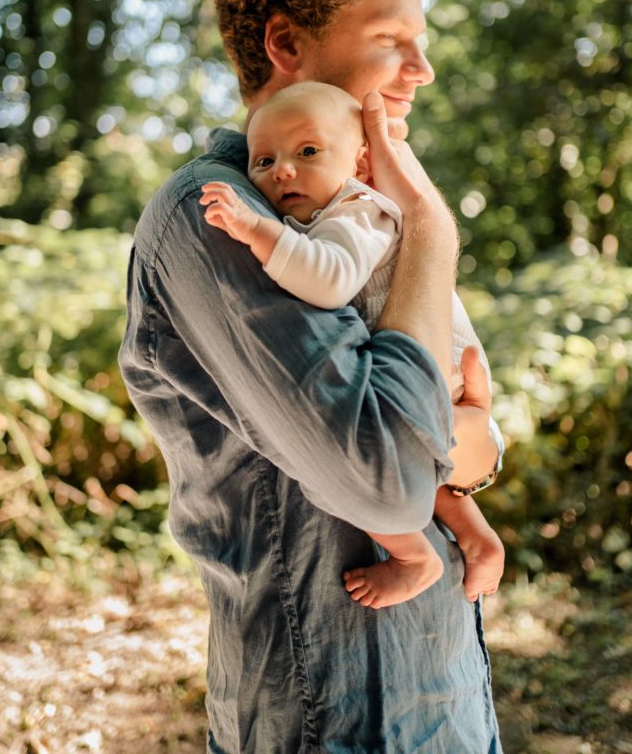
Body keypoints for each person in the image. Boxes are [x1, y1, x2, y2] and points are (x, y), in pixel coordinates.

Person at [120, 0, 504, 752]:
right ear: (287, 45)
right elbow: (388, 480)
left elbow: (477, 436)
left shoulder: (358, 207)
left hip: (444, 690)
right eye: (389, 40)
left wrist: (463, 442)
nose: (421, 70)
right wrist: (434, 232)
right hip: (327, 714)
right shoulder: (215, 215)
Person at [199, 80, 505, 608]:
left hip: (431, 381)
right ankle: (478, 539)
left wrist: (255, 230)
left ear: (362, 166)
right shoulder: (325, 215)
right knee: (416, 466)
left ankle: (414, 557)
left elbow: (331, 279)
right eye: (263, 161)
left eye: (308, 152)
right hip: (435, 393)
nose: (283, 171)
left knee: (368, 447)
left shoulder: (358, 211)